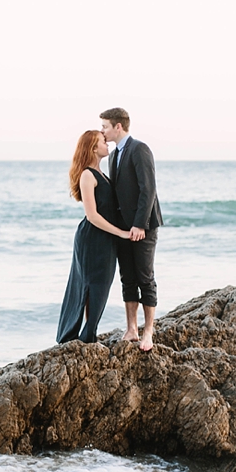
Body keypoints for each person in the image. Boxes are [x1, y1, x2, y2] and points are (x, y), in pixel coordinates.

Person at [57, 130, 132, 344]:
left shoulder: (102, 173)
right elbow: (92, 216)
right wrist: (121, 233)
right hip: (92, 239)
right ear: (92, 148)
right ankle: (84, 336)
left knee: (101, 286)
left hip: (106, 239)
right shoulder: (87, 175)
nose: (106, 144)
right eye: (102, 142)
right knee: (90, 286)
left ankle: (90, 333)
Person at [100, 107, 163, 352]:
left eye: (105, 126)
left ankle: (148, 331)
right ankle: (131, 329)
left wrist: (139, 224)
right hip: (122, 228)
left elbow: (148, 189)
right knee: (127, 277)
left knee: (145, 278)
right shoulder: (114, 155)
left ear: (118, 126)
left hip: (143, 226)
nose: (102, 131)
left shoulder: (139, 149)